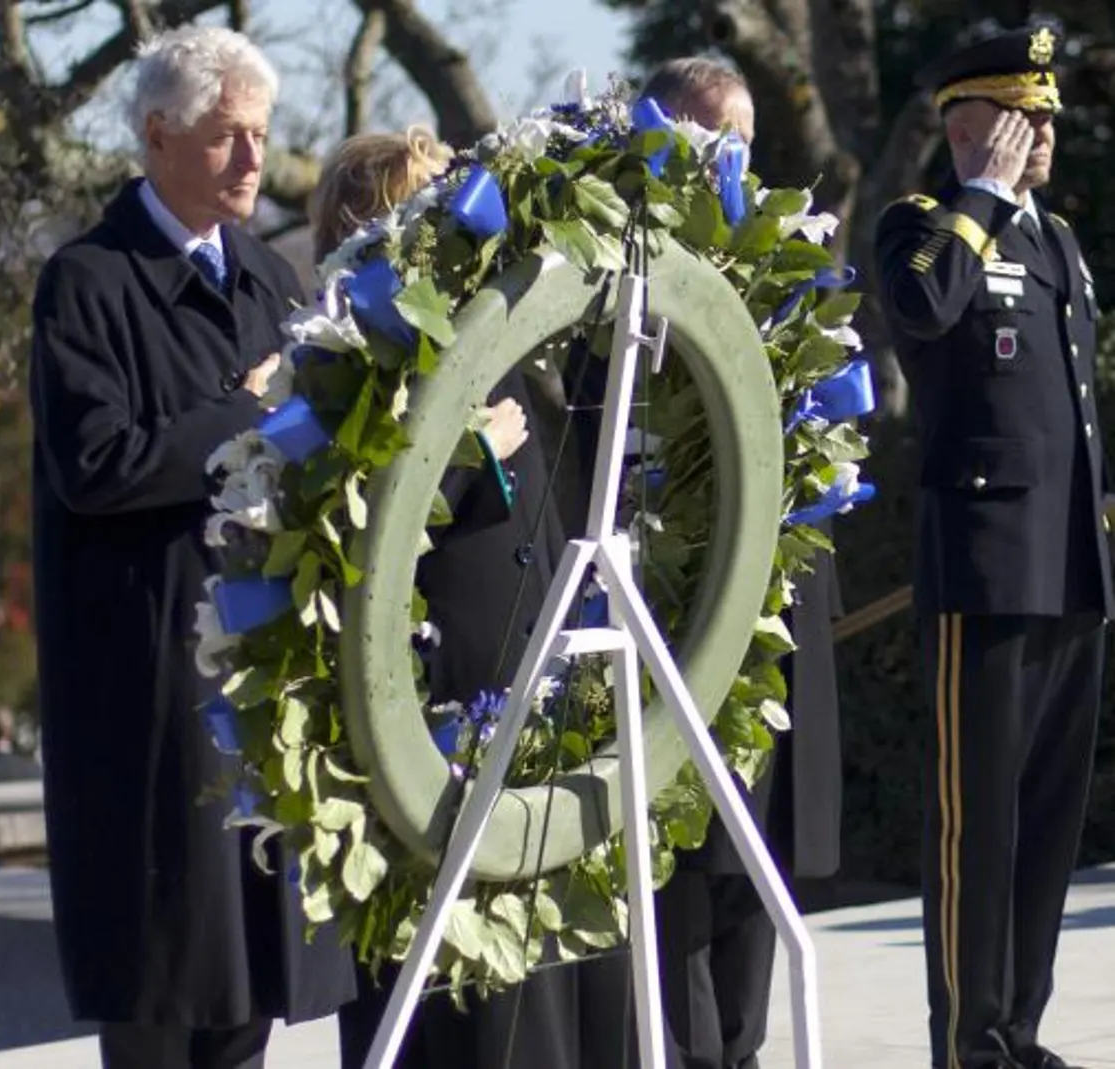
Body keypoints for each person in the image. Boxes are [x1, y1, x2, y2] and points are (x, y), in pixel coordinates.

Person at [29, 25, 356, 1069]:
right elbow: (98, 463)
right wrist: (241, 415)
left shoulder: (268, 276)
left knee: (245, 997)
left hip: (263, 677)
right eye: (228, 137)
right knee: (166, 987)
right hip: (152, 681)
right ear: (159, 138)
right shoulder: (88, 279)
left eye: (260, 135)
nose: (255, 160)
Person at [321, 127, 642, 1069]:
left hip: (531, 695)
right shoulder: (352, 351)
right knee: (463, 1016)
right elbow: (354, 522)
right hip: (434, 714)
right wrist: (459, 454)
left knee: (556, 1000)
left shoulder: (493, 333)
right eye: (433, 206)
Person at [875, 23, 1107, 1069]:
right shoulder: (923, 224)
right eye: (1025, 112)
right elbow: (920, 309)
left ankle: (1018, 1027)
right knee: (978, 825)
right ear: (969, 121)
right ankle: (970, 1040)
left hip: (1067, 563)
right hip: (983, 560)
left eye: (1048, 113)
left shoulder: (1054, 241)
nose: (1044, 130)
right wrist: (975, 197)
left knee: (1048, 823)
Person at [638, 56, 844, 1069]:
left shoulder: (782, 253)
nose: (736, 160)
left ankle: (746, 1052)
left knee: (764, 855)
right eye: (714, 137)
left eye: (746, 139)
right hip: (680, 594)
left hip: (774, 583)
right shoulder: (626, 244)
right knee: (689, 852)